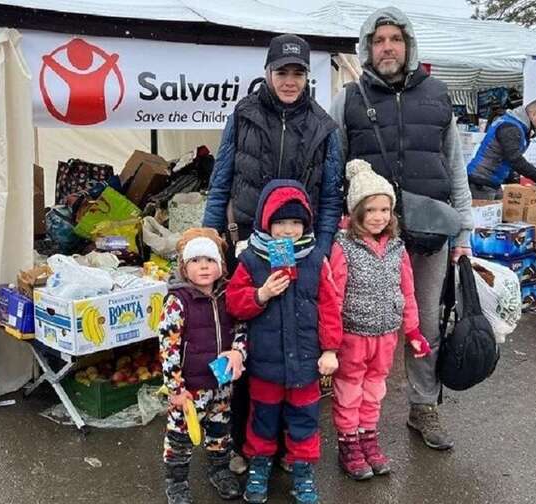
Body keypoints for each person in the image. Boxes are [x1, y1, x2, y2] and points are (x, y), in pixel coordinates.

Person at [329, 6, 474, 451]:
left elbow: (455, 167)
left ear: (408, 45)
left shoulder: (437, 95)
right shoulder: (349, 100)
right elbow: (334, 169)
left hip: (429, 232)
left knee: (424, 322)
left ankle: (423, 405)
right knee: (356, 323)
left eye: (395, 39)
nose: (387, 47)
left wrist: (463, 233)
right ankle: (352, 416)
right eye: (379, 40)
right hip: (368, 238)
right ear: (367, 48)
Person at [202, 32, 344, 472]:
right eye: (282, 71)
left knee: (295, 342)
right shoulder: (243, 114)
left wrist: (321, 249)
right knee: (248, 340)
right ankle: (246, 444)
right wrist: (210, 236)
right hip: (248, 243)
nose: (289, 80)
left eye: (297, 72)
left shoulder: (325, 127)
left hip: (302, 248)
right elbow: (222, 177)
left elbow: (330, 196)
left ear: (307, 77)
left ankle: (287, 446)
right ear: (267, 72)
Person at [226, 180, 341, 504]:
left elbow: (330, 307)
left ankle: (302, 471)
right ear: (266, 222)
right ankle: (259, 467)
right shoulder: (251, 259)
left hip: (306, 363)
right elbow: (234, 303)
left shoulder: (315, 259)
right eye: (280, 222)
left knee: (305, 420)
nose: (288, 230)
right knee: (262, 418)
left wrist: (330, 349)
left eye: (295, 222)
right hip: (265, 363)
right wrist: (261, 294)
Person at [328, 160, 431, 480]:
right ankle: (348, 443)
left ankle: (368, 438)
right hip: (353, 335)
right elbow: (334, 295)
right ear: (356, 212)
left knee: (374, 389)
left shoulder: (398, 247)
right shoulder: (344, 246)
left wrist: (413, 330)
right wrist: (330, 342)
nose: (378, 216)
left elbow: (407, 290)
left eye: (385, 209)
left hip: (386, 335)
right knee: (349, 390)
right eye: (370, 209)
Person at [158, 228, 247, 504]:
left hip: (221, 382)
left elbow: (242, 328)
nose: (204, 266)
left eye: (210, 260)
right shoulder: (178, 301)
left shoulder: (229, 294)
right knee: (180, 437)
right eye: (195, 261)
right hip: (189, 388)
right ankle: (177, 482)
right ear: (184, 268)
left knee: (220, 431)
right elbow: (168, 347)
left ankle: (219, 471)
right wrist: (175, 387)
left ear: (220, 265)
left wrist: (238, 352)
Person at [468, 99, 536, 199]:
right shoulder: (510, 128)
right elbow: (516, 160)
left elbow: (507, 158)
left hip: (491, 181)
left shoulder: (514, 124)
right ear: (534, 115)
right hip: (481, 182)